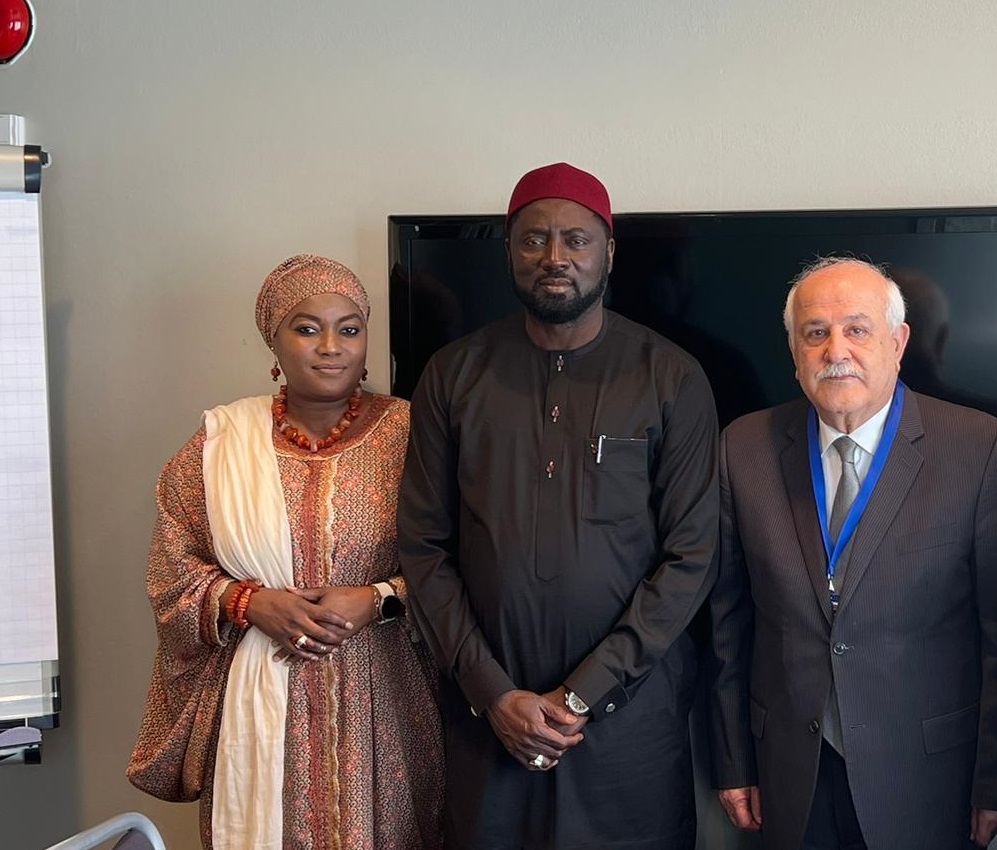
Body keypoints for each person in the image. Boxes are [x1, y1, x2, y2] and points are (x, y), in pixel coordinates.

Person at [397, 162, 719, 850]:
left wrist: (583, 694)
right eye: (533, 239)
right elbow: (423, 545)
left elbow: (692, 556)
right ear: (509, 251)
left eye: (576, 239)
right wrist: (492, 693)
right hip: (490, 723)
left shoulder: (670, 376)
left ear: (609, 252)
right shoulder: (453, 375)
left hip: (627, 724)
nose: (554, 257)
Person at [707, 257, 997, 850]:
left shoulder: (979, 447)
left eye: (857, 329)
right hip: (790, 772)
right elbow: (729, 622)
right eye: (815, 333)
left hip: (929, 777)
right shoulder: (743, 448)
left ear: (898, 342)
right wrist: (733, 760)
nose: (836, 350)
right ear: (794, 352)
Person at [127, 254, 444, 850]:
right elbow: (172, 572)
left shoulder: (414, 434)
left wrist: (379, 599)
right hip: (256, 698)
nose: (331, 347)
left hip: (387, 703)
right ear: (274, 342)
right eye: (307, 328)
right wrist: (250, 603)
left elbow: (461, 560)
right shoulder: (220, 445)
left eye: (349, 329)